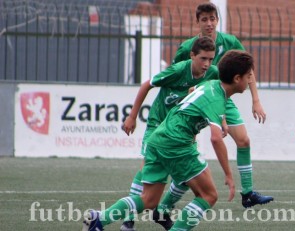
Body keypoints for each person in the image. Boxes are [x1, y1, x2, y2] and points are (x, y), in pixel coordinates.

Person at [82, 49, 253, 231]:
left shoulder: (210, 84)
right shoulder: (216, 97)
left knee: (149, 199)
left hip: (159, 138)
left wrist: (221, 121)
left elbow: (193, 91)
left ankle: (99, 219)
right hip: (176, 142)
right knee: (208, 195)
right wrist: (228, 174)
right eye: (248, 76)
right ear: (236, 78)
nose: (250, 80)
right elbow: (216, 139)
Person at [161, 2, 274, 213]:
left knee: (243, 140)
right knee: (188, 157)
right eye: (204, 19)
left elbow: (248, 69)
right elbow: (177, 75)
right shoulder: (187, 48)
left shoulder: (229, 41)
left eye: (212, 19)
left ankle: (248, 193)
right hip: (198, 101)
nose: (209, 23)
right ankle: (165, 204)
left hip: (223, 98)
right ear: (197, 22)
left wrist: (255, 100)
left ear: (217, 20)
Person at [120, 36, 221, 230]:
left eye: (211, 59)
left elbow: (220, 96)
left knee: (185, 177)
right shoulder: (178, 70)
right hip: (158, 125)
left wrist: (222, 121)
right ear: (192, 55)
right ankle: (128, 218)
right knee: (147, 169)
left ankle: (162, 211)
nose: (207, 64)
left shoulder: (213, 73)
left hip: (181, 129)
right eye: (203, 59)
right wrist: (132, 117)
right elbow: (146, 85)